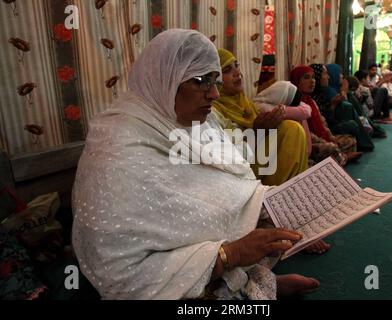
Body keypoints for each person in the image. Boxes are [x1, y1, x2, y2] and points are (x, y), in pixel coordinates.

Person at [72, 29, 320, 300]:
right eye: (202, 81)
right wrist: (231, 253)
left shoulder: (198, 124)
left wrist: (280, 205)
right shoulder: (117, 152)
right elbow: (120, 274)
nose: (214, 94)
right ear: (164, 80)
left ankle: (252, 283)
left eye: (215, 81)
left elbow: (235, 182)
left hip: (214, 264)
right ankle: (248, 288)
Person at [212, 49, 309, 187]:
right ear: (215, 80)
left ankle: (290, 192)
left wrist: (270, 122)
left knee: (290, 128)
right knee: (291, 131)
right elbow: (228, 155)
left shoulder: (245, 103)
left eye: (237, 65)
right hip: (239, 173)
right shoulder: (212, 110)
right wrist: (256, 132)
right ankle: (279, 197)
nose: (237, 73)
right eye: (227, 70)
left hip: (257, 160)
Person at [290, 65, 362, 166]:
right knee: (330, 148)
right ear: (297, 81)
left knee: (351, 139)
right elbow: (308, 134)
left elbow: (323, 123)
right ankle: (343, 157)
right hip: (308, 143)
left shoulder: (311, 100)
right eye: (306, 78)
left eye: (313, 77)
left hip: (324, 135)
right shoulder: (294, 104)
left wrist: (331, 138)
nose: (312, 81)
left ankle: (339, 157)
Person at [312, 64, 374, 152]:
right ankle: (366, 139)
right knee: (348, 111)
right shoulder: (323, 94)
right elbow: (325, 121)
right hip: (326, 129)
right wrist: (334, 103)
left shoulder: (323, 93)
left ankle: (367, 134)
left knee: (350, 111)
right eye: (325, 74)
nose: (328, 77)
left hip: (331, 125)